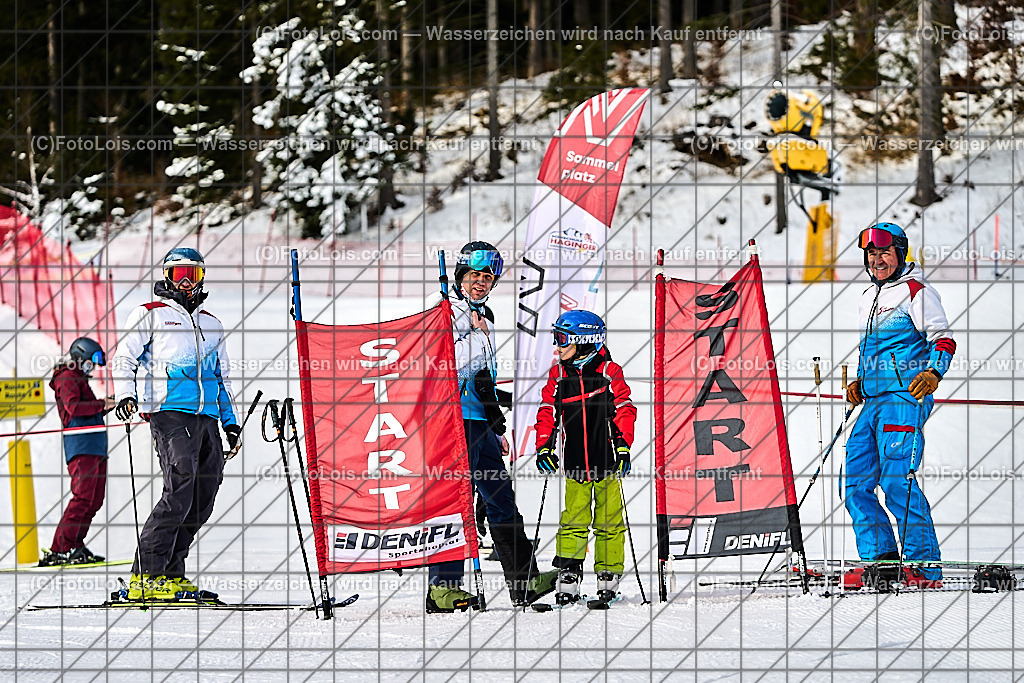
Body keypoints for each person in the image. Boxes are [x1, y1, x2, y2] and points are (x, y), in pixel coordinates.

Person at [426, 241, 558, 613]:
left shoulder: (487, 316)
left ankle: (524, 580)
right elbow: (439, 364)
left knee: (501, 500)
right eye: (474, 275)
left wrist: (493, 419)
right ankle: (443, 588)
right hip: (452, 420)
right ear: (460, 276)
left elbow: (485, 375)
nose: (481, 283)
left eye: (488, 277)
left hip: (480, 422)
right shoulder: (442, 310)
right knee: (456, 502)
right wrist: (471, 335)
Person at [112, 247, 239, 601]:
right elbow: (124, 358)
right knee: (180, 489)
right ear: (167, 276)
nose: (185, 282)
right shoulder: (150, 314)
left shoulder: (211, 323)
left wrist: (231, 423)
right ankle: (146, 575)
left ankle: (171, 572)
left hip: (206, 417)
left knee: (202, 497)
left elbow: (222, 377)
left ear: (202, 277)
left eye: (192, 274)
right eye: (178, 274)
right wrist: (125, 395)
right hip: (169, 412)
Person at [843, 222, 954, 590]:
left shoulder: (915, 291)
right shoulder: (868, 297)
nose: (877, 259)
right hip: (873, 403)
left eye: (885, 252)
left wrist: (934, 372)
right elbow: (874, 349)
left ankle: (924, 567)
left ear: (900, 254)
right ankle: (882, 561)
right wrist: (861, 382)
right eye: (871, 253)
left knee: (896, 482)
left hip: (905, 399)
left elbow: (943, 338)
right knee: (855, 484)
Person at [533, 311, 637, 604]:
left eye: (562, 338)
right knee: (573, 520)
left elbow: (624, 409)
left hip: (607, 461)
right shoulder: (559, 374)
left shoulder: (609, 371)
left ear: (584, 340)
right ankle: (568, 574)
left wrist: (623, 446)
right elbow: (547, 411)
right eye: (556, 338)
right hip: (575, 462)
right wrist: (544, 447)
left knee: (609, 521)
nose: (558, 345)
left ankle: (608, 576)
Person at [39, 338, 116, 566]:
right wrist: (102, 404)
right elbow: (73, 408)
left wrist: (106, 406)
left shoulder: (79, 378)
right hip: (81, 446)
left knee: (94, 500)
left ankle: (75, 544)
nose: (92, 369)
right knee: (83, 497)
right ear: (79, 358)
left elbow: (88, 412)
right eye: (90, 363)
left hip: (95, 446)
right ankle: (60, 548)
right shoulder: (67, 377)